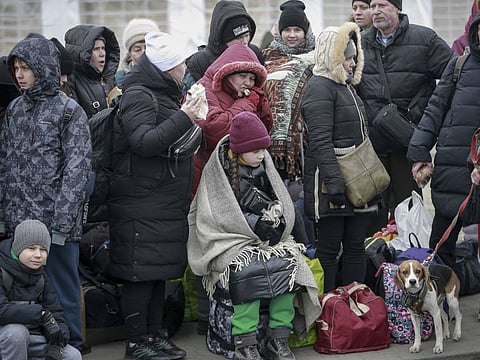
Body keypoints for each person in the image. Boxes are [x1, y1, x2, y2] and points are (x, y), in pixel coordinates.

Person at [187, 111, 320, 360]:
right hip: (227, 240)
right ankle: (244, 343)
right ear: (239, 150)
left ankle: (277, 338)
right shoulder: (218, 171)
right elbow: (214, 213)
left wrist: (279, 223)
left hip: (266, 238)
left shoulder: (263, 164)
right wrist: (253, 224)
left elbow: (280, 199)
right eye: (256, 150)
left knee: (290, 268)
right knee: (245, 272)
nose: (261, 155)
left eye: (263, 149)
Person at [106, 31, 202, 360]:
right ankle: (137, 343)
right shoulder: (139, 96)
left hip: (160, 202)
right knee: (140, 275)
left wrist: (190, 115)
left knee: (157, 274)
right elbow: (145, 142)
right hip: (140, 201)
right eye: (180, 65)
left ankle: (155, 335)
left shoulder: (162, 94)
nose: (184, 69)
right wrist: (185, 116)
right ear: (166, 68)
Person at [0, 34, 91, 352]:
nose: (20, 74)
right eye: (17, 68)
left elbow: (77, 172)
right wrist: (6, 219)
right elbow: (6, 167)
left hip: (55, 225)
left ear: (43, 68)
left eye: (26, 67)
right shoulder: (14, 110)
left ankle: (72, 347)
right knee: (21, 289)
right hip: (19, 225)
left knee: (62, 288)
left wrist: (61, 226)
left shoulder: (69, 112)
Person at [355, 0, 454, 234]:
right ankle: (375, 267)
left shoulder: (425, 40)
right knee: (372, 217)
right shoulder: (359, 43)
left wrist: (425, 112)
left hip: (406, 141)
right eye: (373, 5)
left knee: (409, 213)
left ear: (397, 8)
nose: (376, 11)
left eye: (383, 5)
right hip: (372, 147)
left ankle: (410, 265)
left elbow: (453, 76)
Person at [301, 22, 381, 292]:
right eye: (346, 57)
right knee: (330, 249)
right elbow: (320, 141)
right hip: (331, 187)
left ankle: (355, 304)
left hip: (357, 185)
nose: (351, 62)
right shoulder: (319, 88)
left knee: (356, 246)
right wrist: (334, 184)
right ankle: (329, 309)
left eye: (353, 57)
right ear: (331, 56)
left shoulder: (346, 87)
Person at [407, 14, 480, 269]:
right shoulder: (460, 64)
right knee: (440, 244)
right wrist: (419, 151)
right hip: (453, 167)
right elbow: (435, 109)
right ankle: (440, 307)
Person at [0, 220, 81, 360]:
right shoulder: (2, 271)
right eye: (31, 248)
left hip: (33, 337)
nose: (38, 255)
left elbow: (56, 314)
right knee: (17, 333)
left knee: (72, 355)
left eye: (43, 249)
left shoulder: (42, 276)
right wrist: (41, 314)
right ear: (18, 247)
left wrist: (57, 342)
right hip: (7, 337)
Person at [185, 0, 264, 86]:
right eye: (238, 38)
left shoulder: (254, 54)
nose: (245, 42)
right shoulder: (200, 62)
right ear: (223, 39)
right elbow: (189, 96)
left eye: (247, 35)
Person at [64, 24, 120, 118]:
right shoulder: (70, 81)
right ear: (82, 53)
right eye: (96, 49)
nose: (102, 54)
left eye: (103, 48)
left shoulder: (109, 78)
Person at [115, 18, 160, 88]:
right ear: (130, 54)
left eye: (148, 47)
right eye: (137, 49)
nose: (143, 53)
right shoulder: (118, 81)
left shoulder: (172, 75)